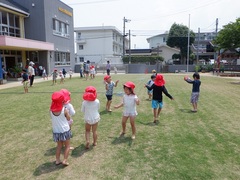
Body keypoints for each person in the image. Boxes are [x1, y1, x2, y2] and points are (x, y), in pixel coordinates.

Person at [50, 91, 72, 166]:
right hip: (65, 130)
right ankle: (65, 160)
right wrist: (68, 113)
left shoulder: (51, 110)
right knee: (67, 146)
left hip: (56, 131)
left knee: (59, 146)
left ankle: (57, 160)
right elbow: (69, 119)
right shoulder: (64, 109)